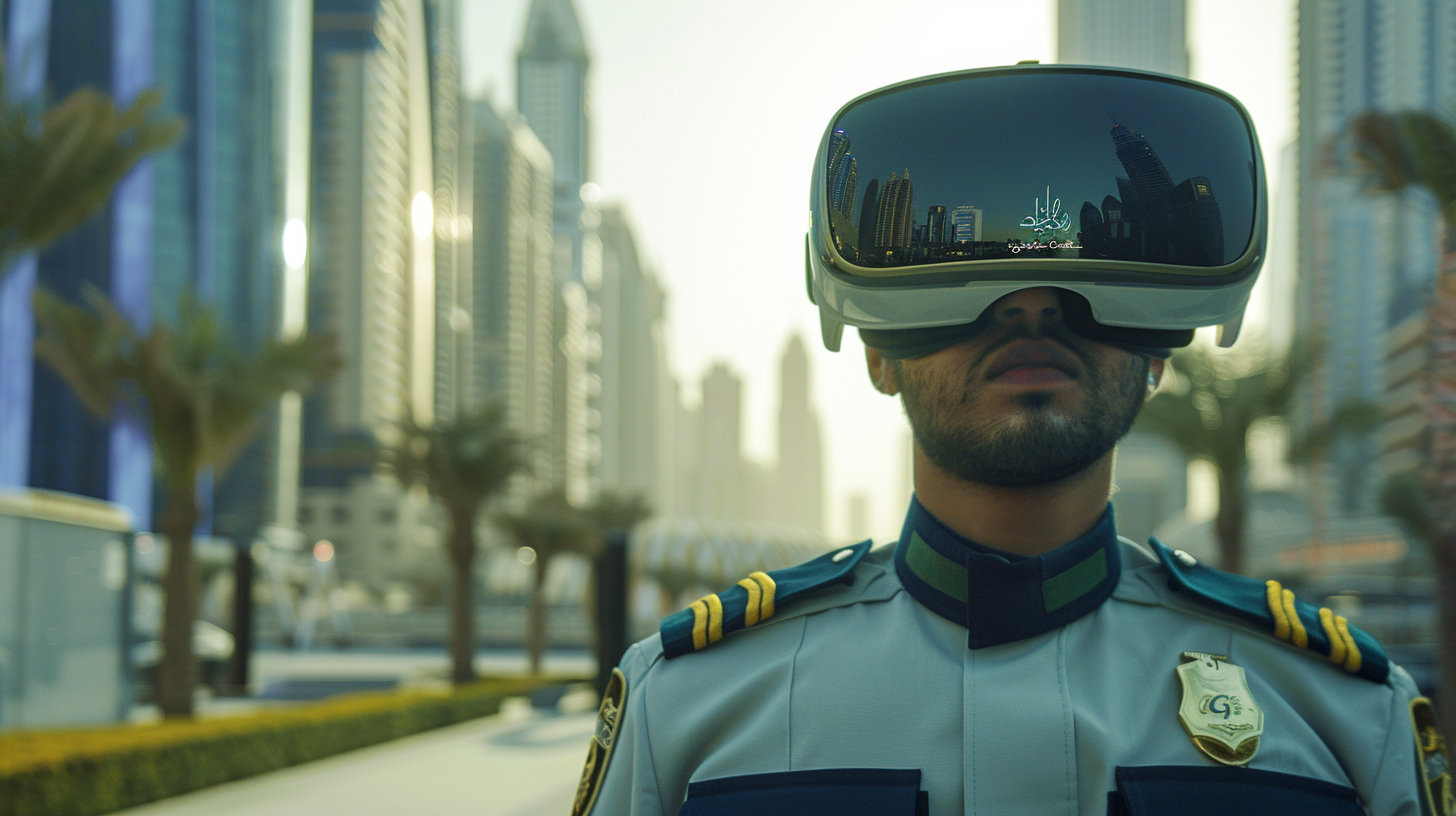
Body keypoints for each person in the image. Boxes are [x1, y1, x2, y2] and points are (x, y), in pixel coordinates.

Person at [571, 64, 1449, 816]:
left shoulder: (1345, 720)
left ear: (1158, 355)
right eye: (969, 281)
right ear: (879, 354)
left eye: (1087, 277)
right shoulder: (681, 710)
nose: (1032, 302)